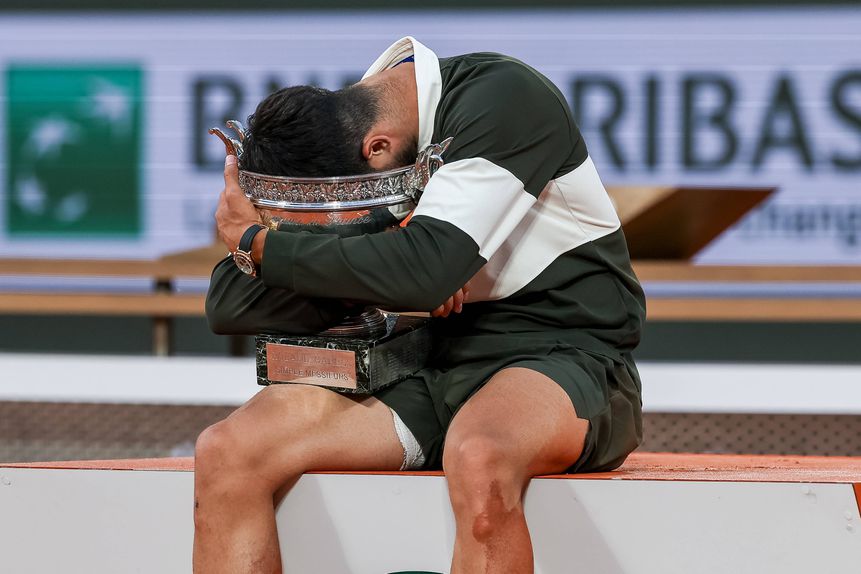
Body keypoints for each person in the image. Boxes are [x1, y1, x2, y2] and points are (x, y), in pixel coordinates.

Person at [195, 37, 645, 574]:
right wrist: (385, 271)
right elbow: (230, 303)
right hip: (421, 367)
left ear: (377, 151)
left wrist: (261, 245)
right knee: (227, 453)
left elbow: (426, 273)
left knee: (479, 454)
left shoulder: (502, 98)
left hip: (561, 354)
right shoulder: (347, 133)